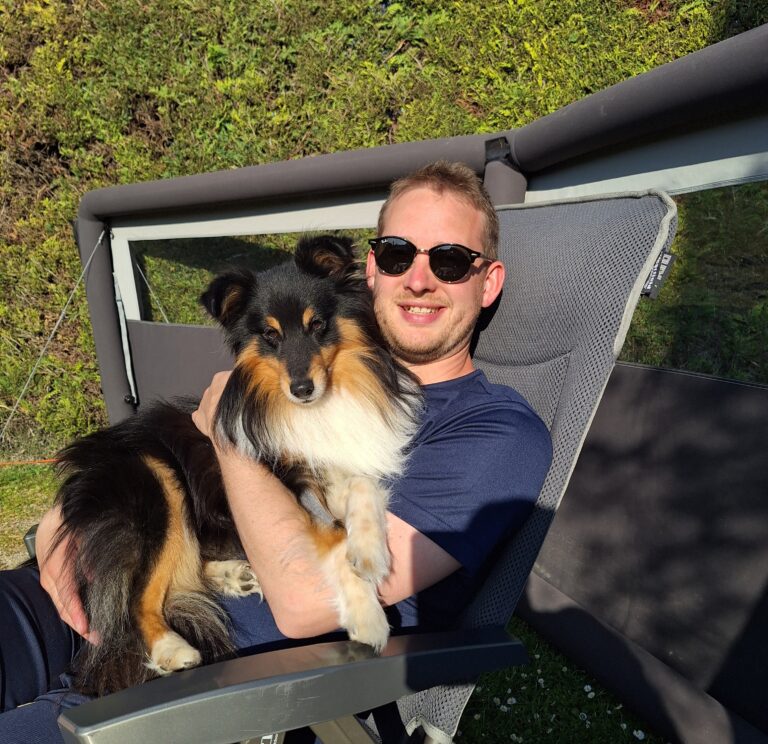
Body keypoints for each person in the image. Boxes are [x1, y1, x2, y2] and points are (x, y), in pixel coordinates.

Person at [0, 161, 552, 741]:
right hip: (95, 583)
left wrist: (230, 434)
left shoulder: (496, 432)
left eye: (450, 261)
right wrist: (72, 514)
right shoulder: (319, 369)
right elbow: (167, 454)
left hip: (203, 680)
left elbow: (306, 600)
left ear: (488, 282)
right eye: (396, 254)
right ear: (371, 271)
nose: (418, 280)